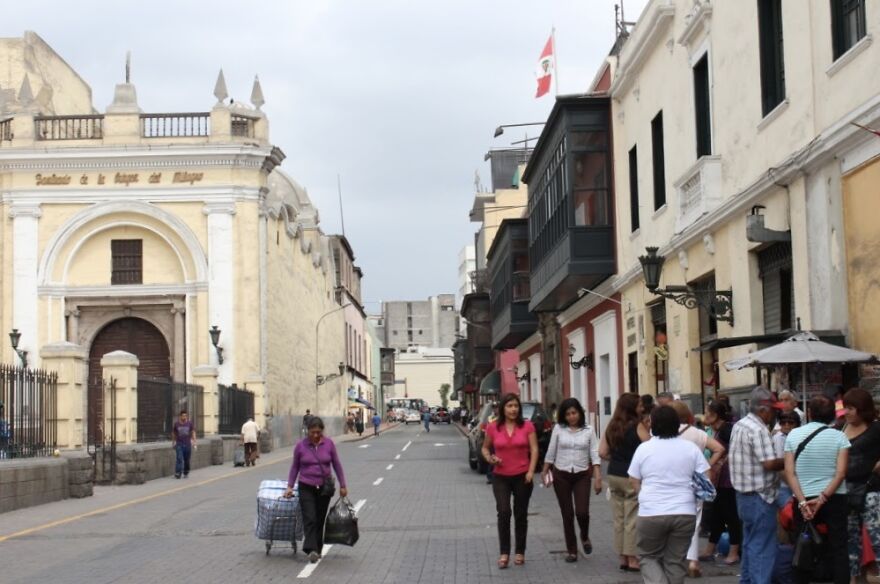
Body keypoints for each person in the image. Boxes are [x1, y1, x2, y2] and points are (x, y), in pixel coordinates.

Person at [628, 405, 710, 584]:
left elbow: (633, 479)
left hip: (651, 512)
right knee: (675, 561)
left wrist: (644, 495)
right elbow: (705, 478)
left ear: (653, 424)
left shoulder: (644, 449)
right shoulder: (690, 448)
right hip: (684, 512)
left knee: (648, 556)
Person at [784, 395, 850, 584]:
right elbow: (841, 473)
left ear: (809, 413)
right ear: (833, 415)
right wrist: (822, 498)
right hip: (834, 498)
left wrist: (802, 502)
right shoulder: (840, 437)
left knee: (802, 545)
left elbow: (789, 472)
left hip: (803, 497)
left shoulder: (793, 435)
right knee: (839, 547)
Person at [728, 386, 784, 584]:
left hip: (743, 496)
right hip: (760, 496)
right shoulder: (758, 429)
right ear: (763, 410)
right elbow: (769, 463)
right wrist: (788, 459)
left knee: (751, 543)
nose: (775, 415)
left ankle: (747, 581)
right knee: (762, 547)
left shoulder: (740, 425)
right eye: (773, 410)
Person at [482, 393, 539, 569]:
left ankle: (520, 551)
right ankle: (504, 552)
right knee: (504, 512)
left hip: (522, 475)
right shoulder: (493, 427)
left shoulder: (527, 426)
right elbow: (485, 448)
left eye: (515, 406)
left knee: (520, 514)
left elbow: (534, 449)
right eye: (509, 406)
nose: (513, 409)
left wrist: (531, 471)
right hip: (501, 477)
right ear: (503, 408)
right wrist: (490, 458)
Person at [541, 397, 602, 563]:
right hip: (561, 474)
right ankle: (572, 550)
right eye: (567, 414)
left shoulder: (589, 430)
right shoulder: (559, 429)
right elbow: (551, 450)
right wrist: (545, 469)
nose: (571, 417)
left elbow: (594, 453)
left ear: (579, 413)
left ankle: (584, 535)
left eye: (574, 413)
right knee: (567, 514)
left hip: (582, 474)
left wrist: (597, 476)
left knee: (582, 512)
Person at [671, 401, 725, 578]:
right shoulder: (697, 433)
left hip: (673, 480)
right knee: (694, 521)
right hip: (695, 480)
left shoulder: (665, 432)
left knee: (673, 520)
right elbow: (719, 449)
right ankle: (693, 561)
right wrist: (707, 464)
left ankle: (676, 558)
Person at [285, 416, 348, 563]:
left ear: (322, 431)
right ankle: (311, 549)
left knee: (320, 519)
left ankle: (318, 549)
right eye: (312, 432)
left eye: (318, 432)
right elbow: (295, 467)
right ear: (307, 431)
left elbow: (337, 465)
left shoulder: (329, 444)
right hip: (306, 486)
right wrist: (290, 486)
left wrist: (343, 485)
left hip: (324, 488)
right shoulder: (301, 446)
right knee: (310, 518)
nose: (315, 435)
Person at [599, 392, 649, 572]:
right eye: (640, 405)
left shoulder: (611, 425)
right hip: (631, 476)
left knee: (619, 518)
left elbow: (602, 452)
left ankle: (622, 557)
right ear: (632, 407)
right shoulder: (638, 426)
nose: (642, 408)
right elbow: (649, 448)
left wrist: (616, 458)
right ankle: (632, 558)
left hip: (613, 474)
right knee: (632, 519)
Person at [841, 388, 880, 581]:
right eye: (845, 407)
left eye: (851, 408)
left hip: (871, 490)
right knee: (850, 536)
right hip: (846, 490)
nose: (846, 412)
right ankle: (854, 577)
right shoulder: (841, 428)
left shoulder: (876, 428)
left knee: (876, 535)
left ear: (862, 408)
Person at [699, 400, 742, 566]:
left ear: (715, 415)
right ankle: (710, 549)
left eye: (707, 412)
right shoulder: (719, 430)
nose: (704, 416)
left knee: (731, 516)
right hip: (719, 480)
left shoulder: (726, 430)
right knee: (717, 515)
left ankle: (733, 552)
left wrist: (720, 462)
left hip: (728, 480)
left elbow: (735, 450)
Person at [171, 410, 196, 479]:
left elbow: (193, 432)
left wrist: (194, 441)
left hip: (187, 444)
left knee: (187, 460)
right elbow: (174, 433)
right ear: (180, 416)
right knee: (179, 458)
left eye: (185, 416)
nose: (184, 417)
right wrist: (173, 442)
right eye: (183, 416)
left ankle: (186, 472)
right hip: (179, 444)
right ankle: (178, 473)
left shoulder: (189, 423)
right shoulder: (176, 424)